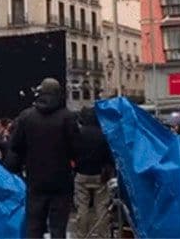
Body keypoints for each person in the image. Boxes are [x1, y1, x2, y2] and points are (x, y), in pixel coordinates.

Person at [11, 78, 78, 239]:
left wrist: (19, 167)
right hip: (61, 182)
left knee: (34, 227)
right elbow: (77, 148)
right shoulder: (67, 117)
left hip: (35, 181)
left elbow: (15, 147)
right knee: (58, 228)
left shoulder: (26, 117)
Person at [73, 107, 114, 238]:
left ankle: (82, 235)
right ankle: (103, 235)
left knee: (82, 207)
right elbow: (110, 156)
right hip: (100, 175)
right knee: (102, 207)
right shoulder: (103, 134)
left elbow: (72, 153)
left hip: (82, 173)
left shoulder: (77, 134)